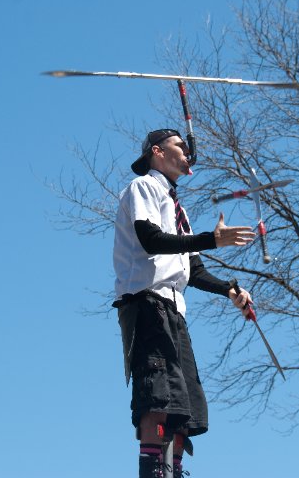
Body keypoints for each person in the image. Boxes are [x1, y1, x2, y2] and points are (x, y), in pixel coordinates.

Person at [112, 128, 256, 478]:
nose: (188, 152)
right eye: (181, 146)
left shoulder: (180, 210)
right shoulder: (144, 187)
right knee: (158, 398)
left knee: (182, 409)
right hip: (147, 303)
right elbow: (151, 239)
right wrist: (210, 238)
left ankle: (172, 469)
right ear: (157, 152)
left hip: (174, 311)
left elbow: (192, 269)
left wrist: (228, 290)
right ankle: (152, 470)